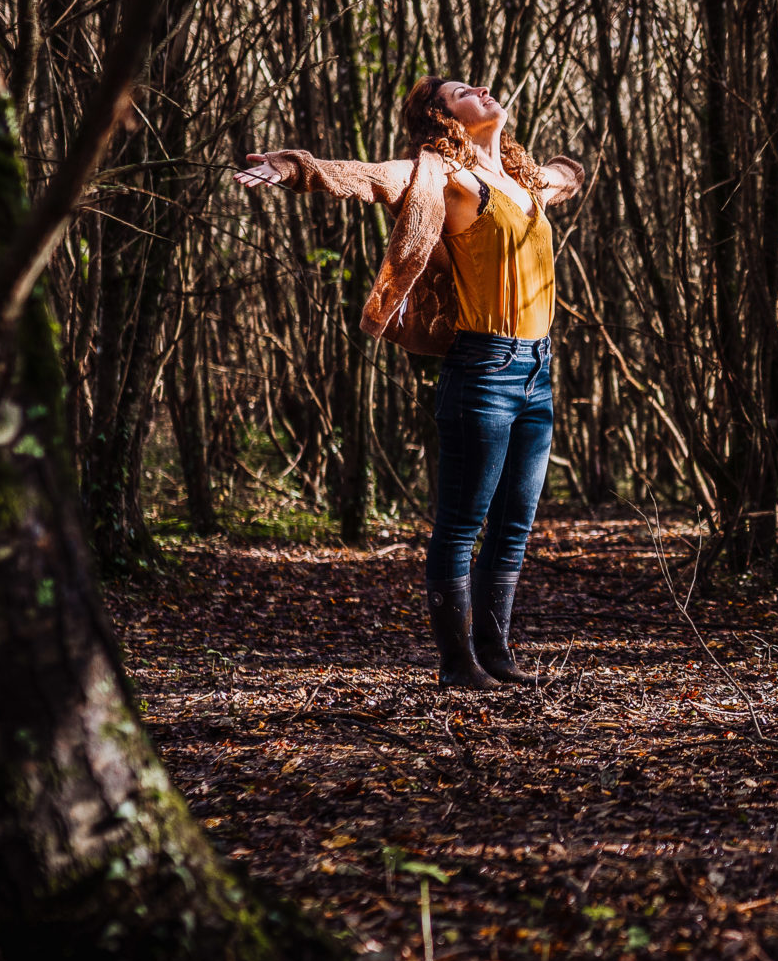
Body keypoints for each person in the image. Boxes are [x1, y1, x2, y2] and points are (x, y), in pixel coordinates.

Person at [236, 79, 582, 689]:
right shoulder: (441, 178)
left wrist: (563, 168)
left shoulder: (525, 185)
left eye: (476, 84)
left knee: (513, 526)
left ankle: (496, 657)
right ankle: (458, 666)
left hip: (538, 373)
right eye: (458, 92)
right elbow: (369, 177)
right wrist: (293, 166)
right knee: (461, 526)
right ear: (441, 117)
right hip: (484, 371)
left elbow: (564, 176)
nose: (479, 88)